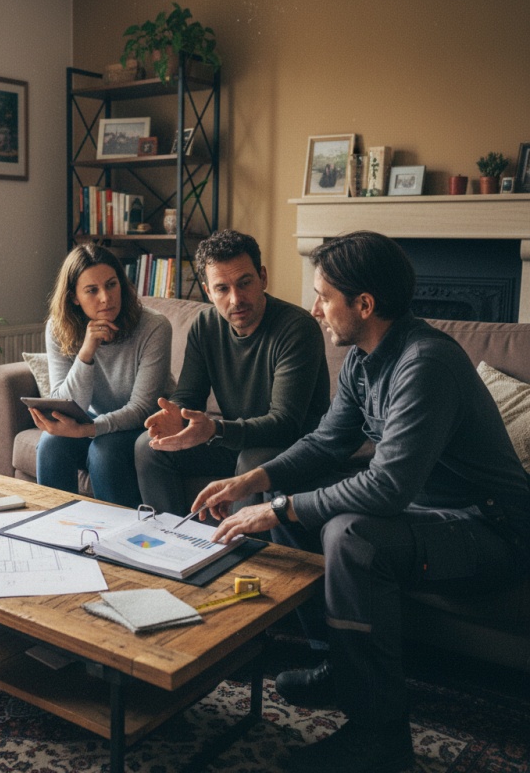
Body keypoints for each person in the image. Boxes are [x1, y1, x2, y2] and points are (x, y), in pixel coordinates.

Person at [190, 231, 530, 773]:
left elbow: (388, 486)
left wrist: (276, 509)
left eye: (323, 296)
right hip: (428, 515)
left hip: (493, 530)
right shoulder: (362, 360)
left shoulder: (426, 363)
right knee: (291, 503)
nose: (314, 308)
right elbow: (326, 443)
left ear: (364, 304)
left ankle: (382, 741)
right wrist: (251, 483)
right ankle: (338, 667)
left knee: (349, 536)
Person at [134, 229, 330, 516]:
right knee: (149, 447)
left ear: (263, 277)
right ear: (208, 291)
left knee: (252, 460)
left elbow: (285, 423)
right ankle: (170, 538)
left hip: (290, 447)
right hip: (235, 440)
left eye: (244, 283)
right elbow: (189, 395)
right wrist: (176, 414)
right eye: (222, 289)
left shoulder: (296, 328)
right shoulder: (205, 326)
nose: (236, 299)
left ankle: (240, 545)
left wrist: (217, 429)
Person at [30, 243, 172, 508]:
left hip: (144, 426)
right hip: (98, 420)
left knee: (104, 449)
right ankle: (55, 525)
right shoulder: (58, 328)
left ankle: (118, 532)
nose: (106, 298)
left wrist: (89, 429)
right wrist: (86, 352)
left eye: (111, 285)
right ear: (74, 297)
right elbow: (65, 404)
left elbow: (142, 408)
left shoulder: (154, 327)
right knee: (51, 443)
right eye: (92, 290)